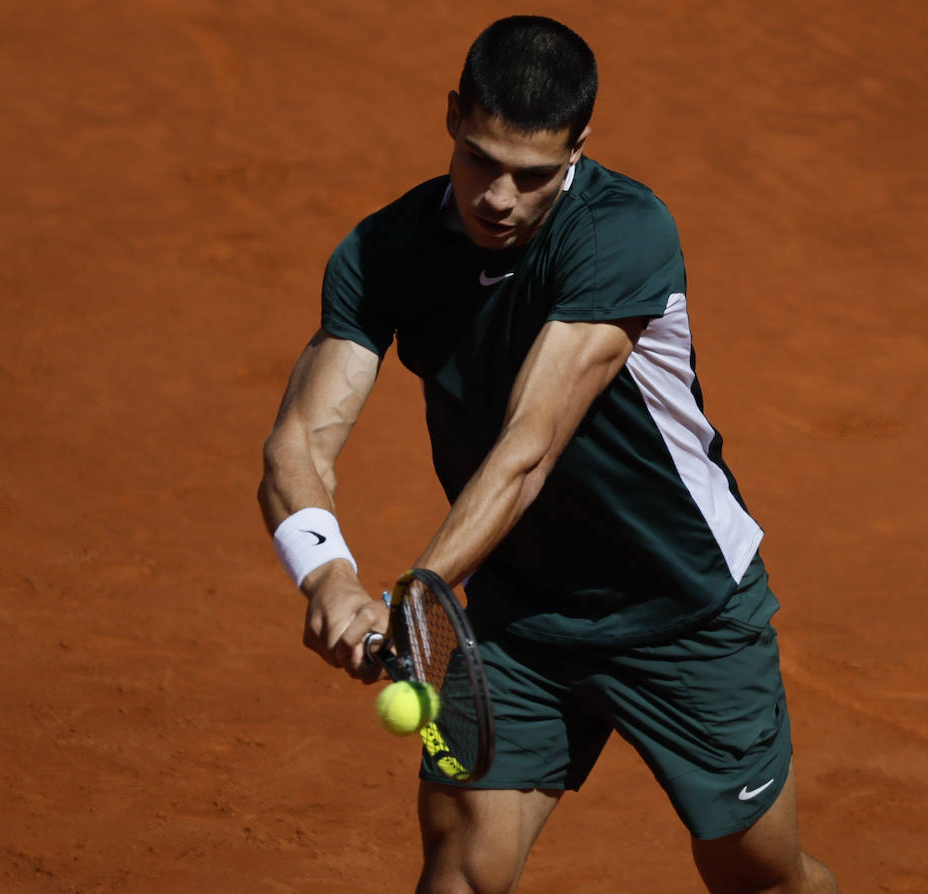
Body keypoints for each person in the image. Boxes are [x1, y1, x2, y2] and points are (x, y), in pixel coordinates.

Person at [257, 15, 838, 894]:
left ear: (579, 152)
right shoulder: (387, 250)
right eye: (482, 159)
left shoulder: (621, 234)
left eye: (534, 176)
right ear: (453, 115)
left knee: (759, 877)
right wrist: (326, 572)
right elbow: (299, 438)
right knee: (460, 873)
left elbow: (527, 451)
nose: (500, 197)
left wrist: (415, 601)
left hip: (681, 607)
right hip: (516, 617)